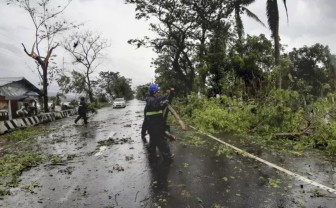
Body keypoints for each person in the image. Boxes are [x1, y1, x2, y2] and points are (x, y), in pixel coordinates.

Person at [144, 83, 174, 162]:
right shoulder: (151, 100)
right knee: (162, 142)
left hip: (153, 126)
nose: (158, 93)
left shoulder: (152, 100)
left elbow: (159, 105)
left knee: (153, 142)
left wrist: (168, 96)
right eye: (157, 92)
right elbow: (157, 105)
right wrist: (165, 98)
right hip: (155, 127)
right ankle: (168, 157)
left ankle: (152, 156)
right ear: (154, 92)